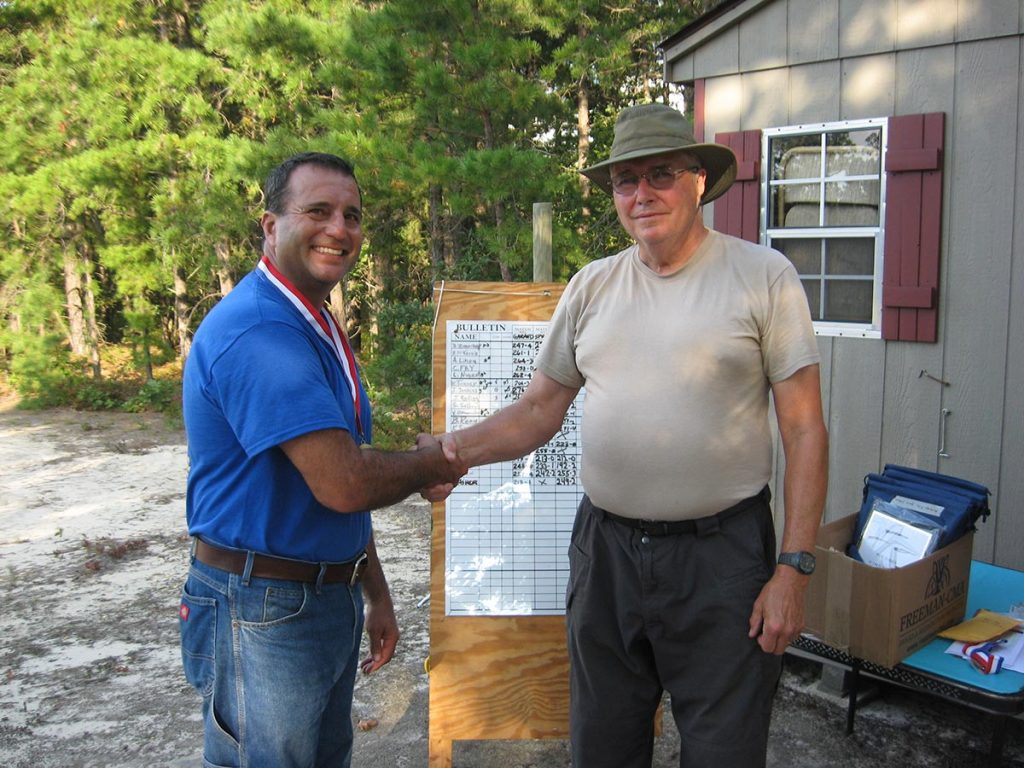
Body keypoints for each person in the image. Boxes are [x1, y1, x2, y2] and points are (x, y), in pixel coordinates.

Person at [427, 104, 828, 767]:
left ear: (699, 179)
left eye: (661, 175)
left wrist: (794, 569)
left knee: (724, 752)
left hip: (723, 559)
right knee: (603, 748)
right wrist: (449, 452)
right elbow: (537, 410)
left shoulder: (764, 278)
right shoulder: (592, 287)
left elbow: (806, 430)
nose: (642, 195)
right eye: (625, 180)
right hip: (607, 555)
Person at [179, 151, 465, 768]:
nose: (340, 228)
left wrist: (372, 589)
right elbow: (344, 480)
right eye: (318, 210)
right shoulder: (259, 331)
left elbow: (331, 483)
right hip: (262, 606)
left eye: (352, 215)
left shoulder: (311, 323)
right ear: (270, 224)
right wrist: (431, 462)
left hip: (313, 595)